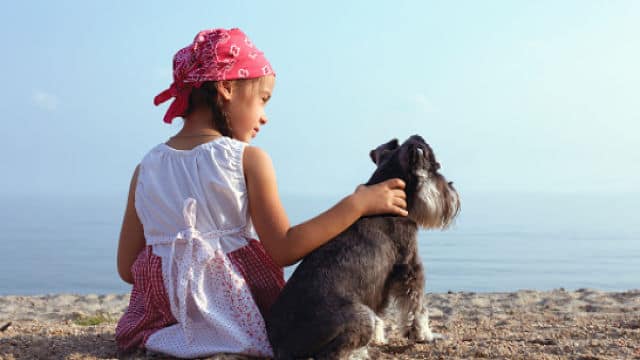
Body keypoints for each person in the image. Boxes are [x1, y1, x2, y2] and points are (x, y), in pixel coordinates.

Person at [115, 27, 408, 358]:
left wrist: (178, 259)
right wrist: (358, 203)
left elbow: (127, 268)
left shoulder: (146, 168)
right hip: (240, 322)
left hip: (163, 325)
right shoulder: (247, 159)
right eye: (262, 100)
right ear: (226, 88)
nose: (264, 118)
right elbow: (285, 247)